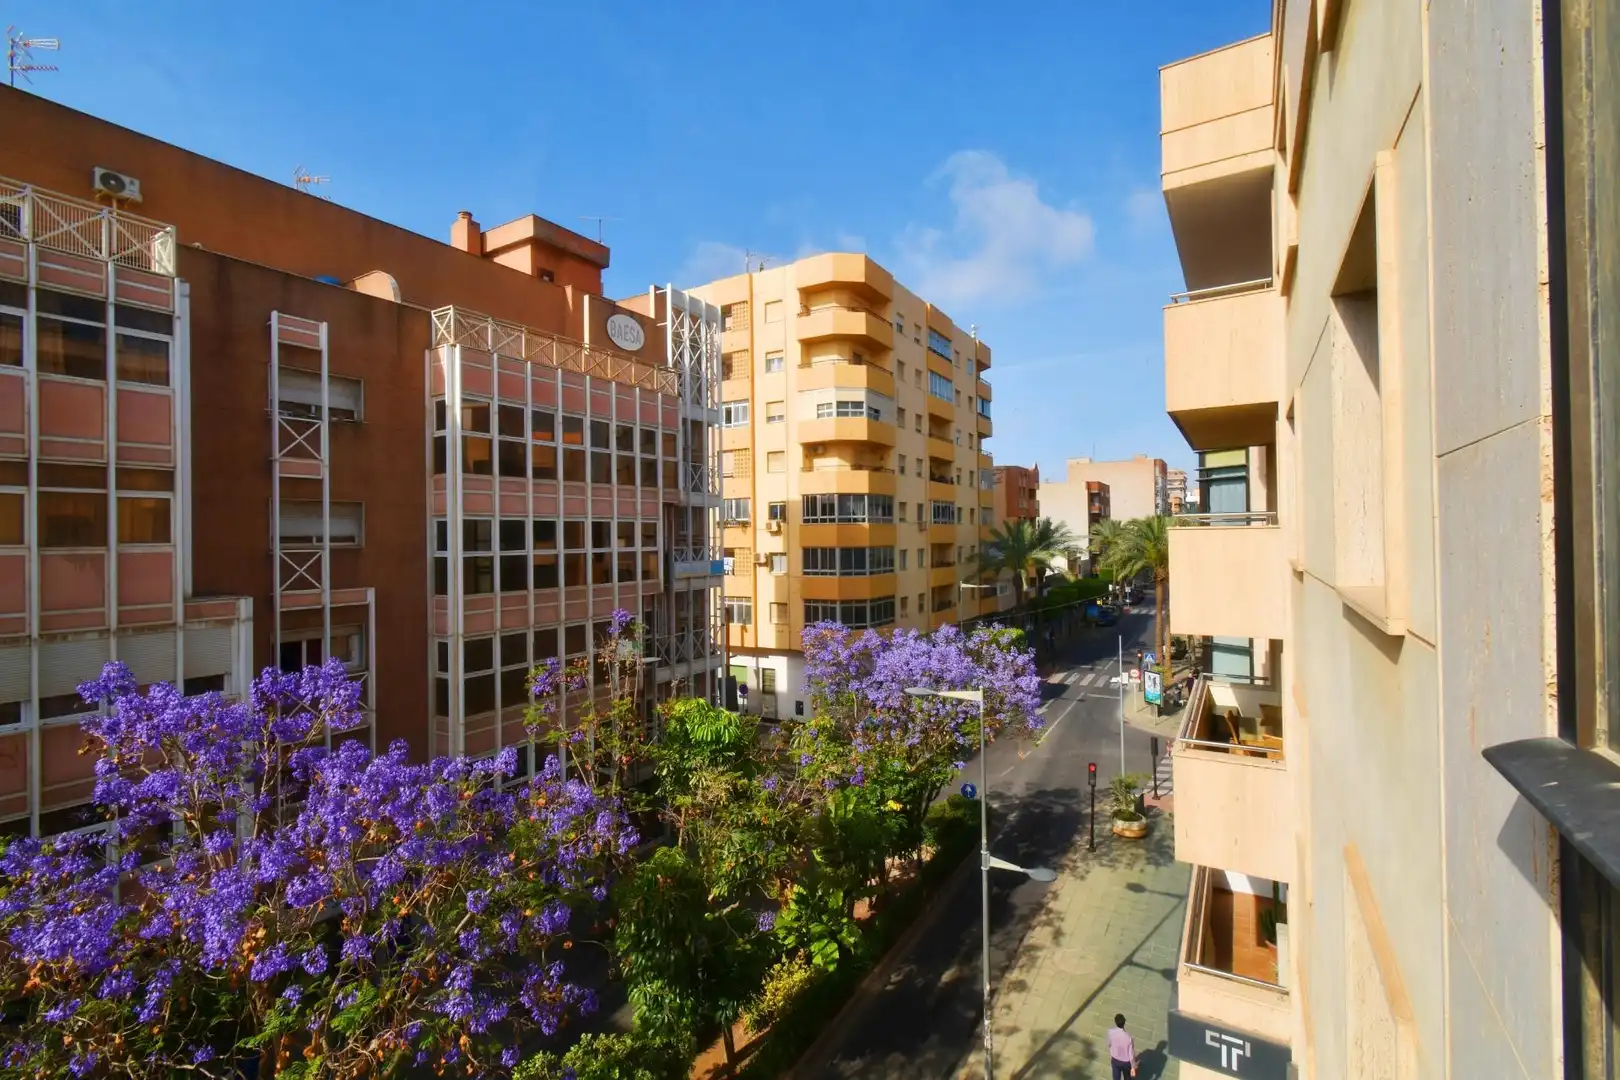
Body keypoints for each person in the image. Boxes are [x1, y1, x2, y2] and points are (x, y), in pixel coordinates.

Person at [1107, 1013, 1137, 1078]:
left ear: (1115, 1022)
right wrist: (1133, 1066)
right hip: (1126, 1063)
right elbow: (1131, 1054)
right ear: (1124, 1023)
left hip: (1115, 1060)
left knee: (1116, 1078)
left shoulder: (1110, 1032)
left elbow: (1109, 1044)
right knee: (1127, 1077)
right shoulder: (1129, 1038)